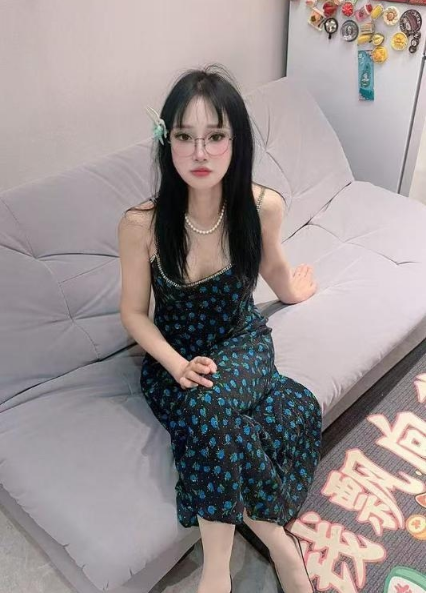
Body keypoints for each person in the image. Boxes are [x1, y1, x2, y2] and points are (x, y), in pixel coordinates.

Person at [118, 63, 322, 593]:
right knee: (225, 416)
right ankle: (278, 543)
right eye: (184, 136)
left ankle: (215, 574)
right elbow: (134, 313)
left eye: (215, 136)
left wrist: (293, 291)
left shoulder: (261, 207)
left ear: (237, 140)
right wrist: (175, 364)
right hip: (175, 361)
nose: (200, 152)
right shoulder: (141, 225)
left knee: (229, 410)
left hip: (242, 344)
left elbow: (273, 266)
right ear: (166, 142)